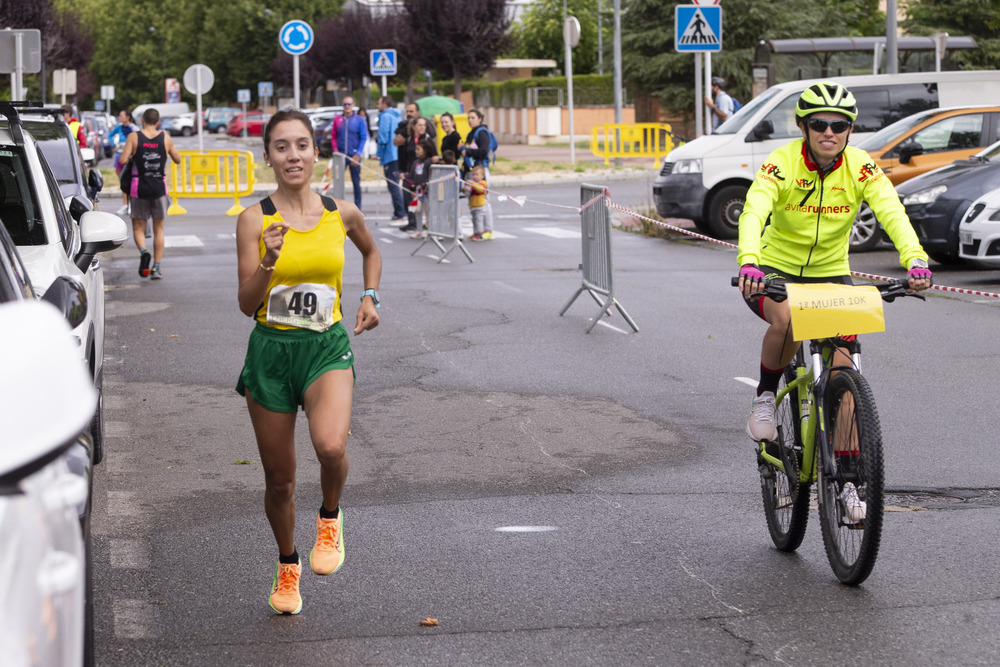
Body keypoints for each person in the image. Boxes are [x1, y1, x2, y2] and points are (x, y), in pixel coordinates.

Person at [235, 108, 382, 615]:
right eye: (281, 147)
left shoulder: (342, 213)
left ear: (316, 152)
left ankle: (330, 516)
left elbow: (372, 252)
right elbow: (246, 302)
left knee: (330, 444)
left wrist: (372, 297)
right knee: (279, 481)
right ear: (269, 157)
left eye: (301, 145)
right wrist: (270, 261)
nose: (292, 155)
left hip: (326, 345)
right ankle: (287, 563)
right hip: (272, 352)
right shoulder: (255, 219)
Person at [737, 81, 933, 450]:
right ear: (803, 127)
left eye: (839, 125)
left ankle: (848, 478)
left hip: (830, 272)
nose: (829, 132)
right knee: (788, 318)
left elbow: (891, 212)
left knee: (845, 365)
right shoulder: (782, 162)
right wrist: (749, 261)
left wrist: (915, 259)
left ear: (850, 130)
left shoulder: (861, 166)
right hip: (774, 267)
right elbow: (754, 210)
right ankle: (764, 396)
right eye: (819, 124)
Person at [117, 108, 181, 280]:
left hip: (139, 187)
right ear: (158, 122)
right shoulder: (165, 137)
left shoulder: (134, 137)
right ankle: (156, 267)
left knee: (138, 227)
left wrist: (131, 155)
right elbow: (178, 159)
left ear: (143, 119)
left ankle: (144, 251)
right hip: (159, 187)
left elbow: (122, 160)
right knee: (159, 228)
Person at [330, 96, 369, 209]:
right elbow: (333, 136)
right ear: (342, 106)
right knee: (338, 183)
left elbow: (363, 137)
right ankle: (338, 207)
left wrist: (358, 153)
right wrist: (335, 150)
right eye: (345, 104)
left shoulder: (359, 119)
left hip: (354, 155)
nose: (347, 106)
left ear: (353, 105)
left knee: (356, 182)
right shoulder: (337, 119)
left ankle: (358, 208)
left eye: (349, 104)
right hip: (340, 155)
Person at [399, 117, 435, 233]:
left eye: (424, 125)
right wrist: (404, 172)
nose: (422, 128)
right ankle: (412, 222)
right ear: (414, 126)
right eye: (420, 125)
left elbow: (433, 156)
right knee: (409, 197)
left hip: (423, 175)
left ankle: (427, 223)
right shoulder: (409, 139)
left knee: (425, 202)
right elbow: (404, 155)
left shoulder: (427, 139)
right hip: (411, 171)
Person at [375, 95, 406, 222]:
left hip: (389, 155)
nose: (377, 106)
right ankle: (400, 211)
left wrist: (379, 154)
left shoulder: (385, 117)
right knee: (396, 185)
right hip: (397, 154)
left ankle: (400, 212)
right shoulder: (396, 115)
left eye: (378, 103)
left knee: (393, 186)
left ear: (384, 104)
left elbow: (383, 137)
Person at [109, 109, 139, 216]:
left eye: (121, 115)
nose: (120, 117)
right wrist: (114, 145)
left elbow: (138, 140)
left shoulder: (134, 128)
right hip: (120, 156)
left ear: (127, 117)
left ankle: (132, 204)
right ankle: (125, 204)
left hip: (130, 158)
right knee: (123, 181)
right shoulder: (119, 127)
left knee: (130, 180)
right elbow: (110, 135)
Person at [464, 163, 492, 241]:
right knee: (474, 220)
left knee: (479, 220)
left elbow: (480, 189)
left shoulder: (483, 183)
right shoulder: (474, 184)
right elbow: (467, 192)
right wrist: (465, 187)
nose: (475, 176)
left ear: (482, 176)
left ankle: (480, 234)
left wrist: (473, 184)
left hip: (480, 206)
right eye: (474, 175)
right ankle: (475, 233)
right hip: (473, 206)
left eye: (477, 174)